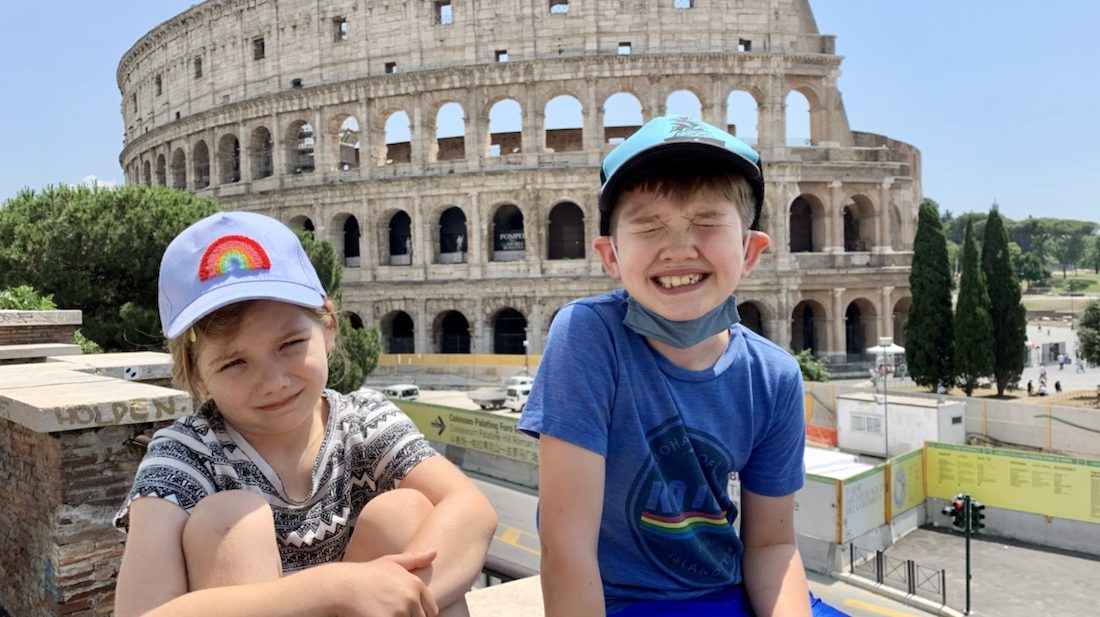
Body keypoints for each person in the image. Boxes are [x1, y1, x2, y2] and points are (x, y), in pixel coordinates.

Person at [518, 116, 844, 617]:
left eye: (707, 222)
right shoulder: (586, 336)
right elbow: (566, 543)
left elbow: (772, 546)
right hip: (626, 603)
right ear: (610, 255)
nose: (677, 248)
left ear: (750, 249)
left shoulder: (774, 376)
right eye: (649, 226)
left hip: (730, 590)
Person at [113, 211, 497, 617]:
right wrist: (329, 590)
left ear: (328, 327)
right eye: (234, 364)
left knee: (405, 513)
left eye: (290, 344)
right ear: (196, 373)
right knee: (228, 520)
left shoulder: (363, 421)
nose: (273, 381)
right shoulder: (185, 455)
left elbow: (472, 509)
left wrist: (394, 596)